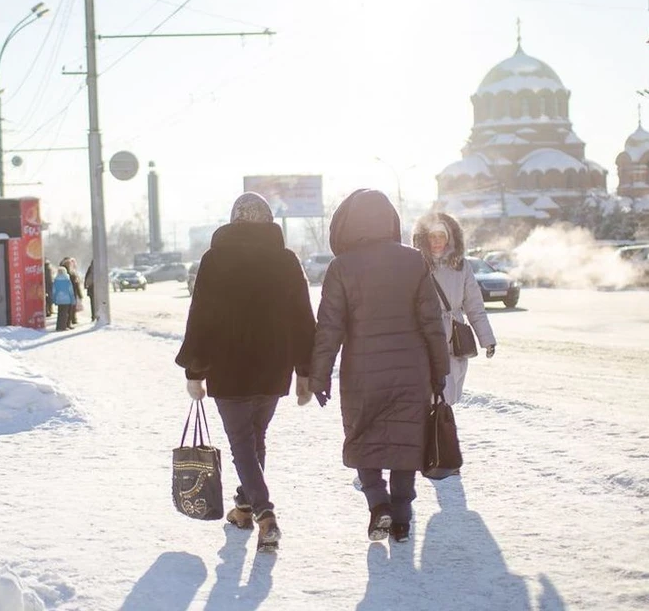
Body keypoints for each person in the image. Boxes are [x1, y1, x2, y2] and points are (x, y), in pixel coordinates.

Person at [175, 192, 316, 553]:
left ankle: (265, 515)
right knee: (254, 440)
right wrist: (304, 369)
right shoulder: (286, 260)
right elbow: (302, 316)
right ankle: (242, 508)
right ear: (269, 222)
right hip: (273, 367)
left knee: (242, 444)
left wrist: (195, 369)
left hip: (229, 366)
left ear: (234, 220)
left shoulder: (215, 259)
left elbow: (201, 316)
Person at [309, 189, 450, 544]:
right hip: (411, 371)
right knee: (406, 440)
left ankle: (378, 503)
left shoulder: (342, 267)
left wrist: (320, 375)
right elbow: (432, 321)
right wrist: (440, 370)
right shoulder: (413, 261)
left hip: (363, 373)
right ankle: (401, 516)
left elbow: (329, 327)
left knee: (363, 436)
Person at [412, 213, 497, 406]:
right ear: (425, 238)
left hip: (455, 340)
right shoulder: (416, 266)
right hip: (426, 339)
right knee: (433, 398)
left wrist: (487, 340)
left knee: (448, 400)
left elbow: (474, 306)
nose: (437, 242)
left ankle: (439, 433)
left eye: (441, 236)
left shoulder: (461, 266)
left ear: (450, 238)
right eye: (432, 236)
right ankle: (434, 434)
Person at [52, 266, 75, 332]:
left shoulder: (56, 280)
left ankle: (58, 326)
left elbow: (54, 291)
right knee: (65, 313)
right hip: (67, 299)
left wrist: (54, 299)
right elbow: (70, 291)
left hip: (59, 299)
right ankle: (63, 326)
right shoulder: (67, 280)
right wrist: (72, 299)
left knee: (60, 313)